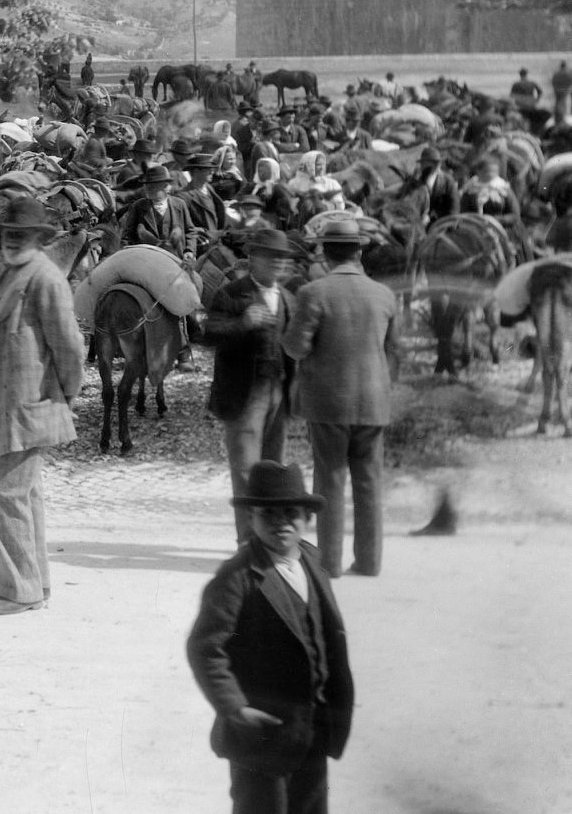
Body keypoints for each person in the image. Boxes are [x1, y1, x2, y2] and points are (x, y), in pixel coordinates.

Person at [186, 461, 355, 814]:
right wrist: (235, 706)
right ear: (251, 518)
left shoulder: (310, 559)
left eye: (291, 513)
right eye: (268, 514)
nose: (281, 523)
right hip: (261, 732)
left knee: (310, 806)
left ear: (307, 516)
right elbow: (206, 648)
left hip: (312, 725)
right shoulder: (238, 576)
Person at [0, 197, 82, 615]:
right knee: (25, 493)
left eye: (20, 235)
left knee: (5, 491)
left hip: (32, 403)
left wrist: (64, 395)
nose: (12, 240)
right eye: (7, 234)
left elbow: (70, 346)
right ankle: (34, 579)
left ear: (39, 238)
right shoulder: (12, 273)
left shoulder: (46, 278)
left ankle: (21, 591)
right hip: (9, 402)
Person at [281, 218, 398, 578]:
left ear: (325, 253)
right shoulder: (385, 294)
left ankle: (329, 564)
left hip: (328, 403)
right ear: (360, 252)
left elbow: (297, 348)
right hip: (375, 403)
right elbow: (394, 352)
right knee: (369, 484)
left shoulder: (313, 293)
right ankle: (369, 562)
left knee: (329, 481)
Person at [204, 229, 298, 542]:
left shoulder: (288, 298)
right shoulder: (231, 293)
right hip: (244, 395)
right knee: (246, 472)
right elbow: (209, 335)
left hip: (278, 394)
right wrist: (242, 324)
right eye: (272, 258)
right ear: (253, 259)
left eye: (283, 259)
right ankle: (248, 541)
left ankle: (269, 537)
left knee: (274, 471)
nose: (279, 265)